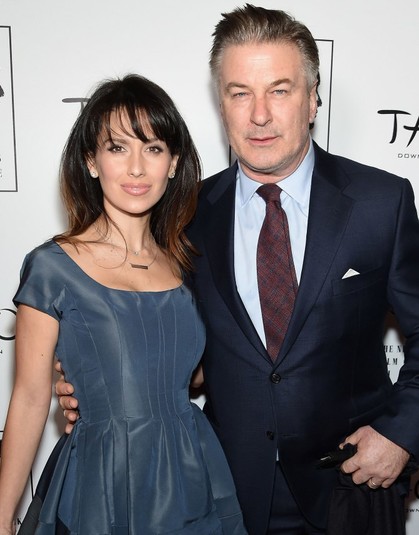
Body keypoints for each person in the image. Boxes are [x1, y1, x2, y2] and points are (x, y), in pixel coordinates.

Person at [56, 5, 419, 534]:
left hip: (352, 486)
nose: (260, 115)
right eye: (240, 93)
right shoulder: (183, 216)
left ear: (313, 99)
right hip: (221, 492)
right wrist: (99, 384)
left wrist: (401, 433)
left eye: (280, 90)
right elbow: (173, 348)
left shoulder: (380, 202)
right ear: (220, 102)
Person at [0, 74, 246, 535]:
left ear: (173, 163)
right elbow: (30, 398)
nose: (136, 168)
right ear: (91, 161)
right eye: (117, 148)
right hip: (103, 478)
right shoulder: (53, 266)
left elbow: (196, 373)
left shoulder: (188, 264)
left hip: (192, 471)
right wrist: (2, 517)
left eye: (153, 148)